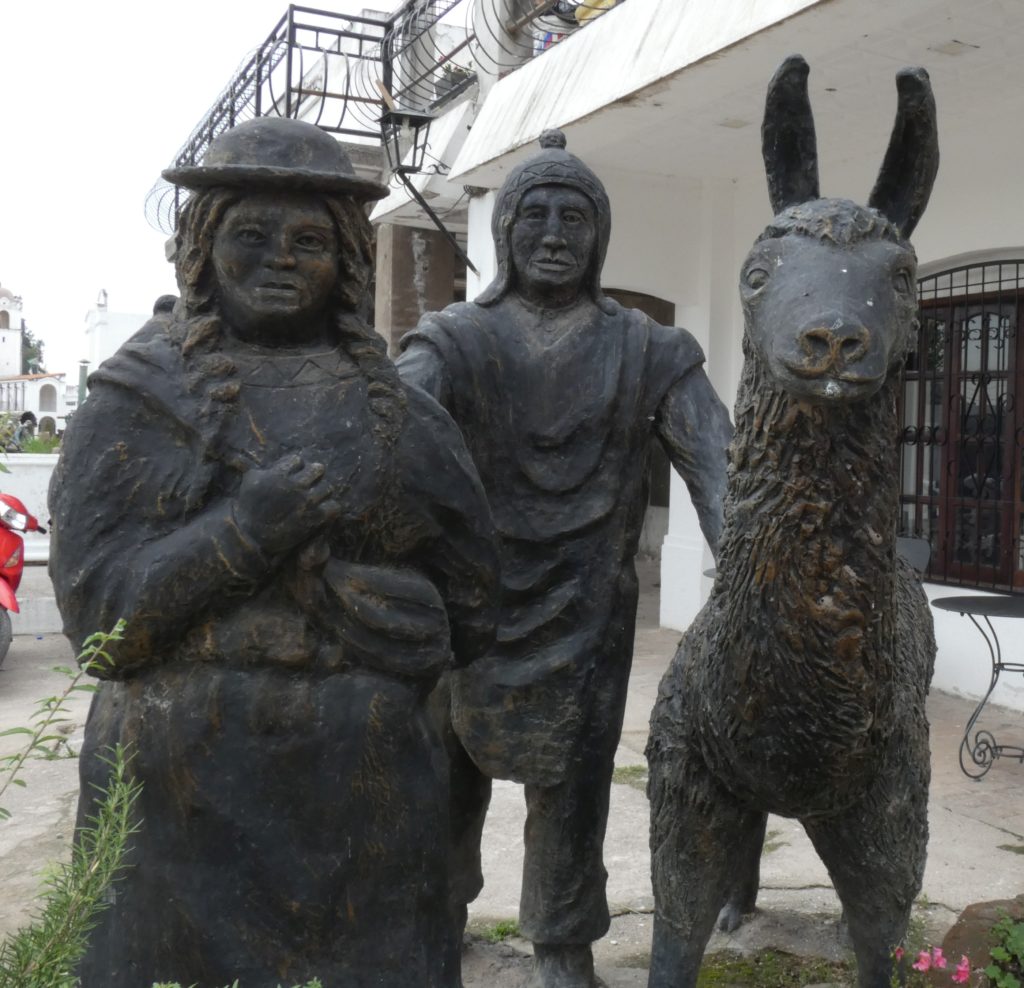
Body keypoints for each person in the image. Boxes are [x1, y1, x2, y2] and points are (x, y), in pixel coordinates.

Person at [49, 116, 499, 988]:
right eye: (249, 236)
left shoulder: (401, 416)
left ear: (347, 259)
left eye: (308, 240)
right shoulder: (137, 398)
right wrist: (246, 531)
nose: (280, 258)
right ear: (202, 247)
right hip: (173, 787)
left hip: (362, 782)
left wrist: (387, 612)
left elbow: (477, 603)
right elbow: (98, 624)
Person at [397, 130, 733, 988]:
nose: (554, 234)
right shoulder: (453, 341)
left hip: (587, 615)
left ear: (600, 235)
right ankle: (433, 921)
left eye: (574, 218)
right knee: (444, 779)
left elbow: (721, 471)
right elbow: (388, 439)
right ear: (505, 231)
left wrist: (750, 565)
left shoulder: (649, 350)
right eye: (535, 215)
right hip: (462, 608)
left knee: (573, 793)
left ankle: (561, 944)